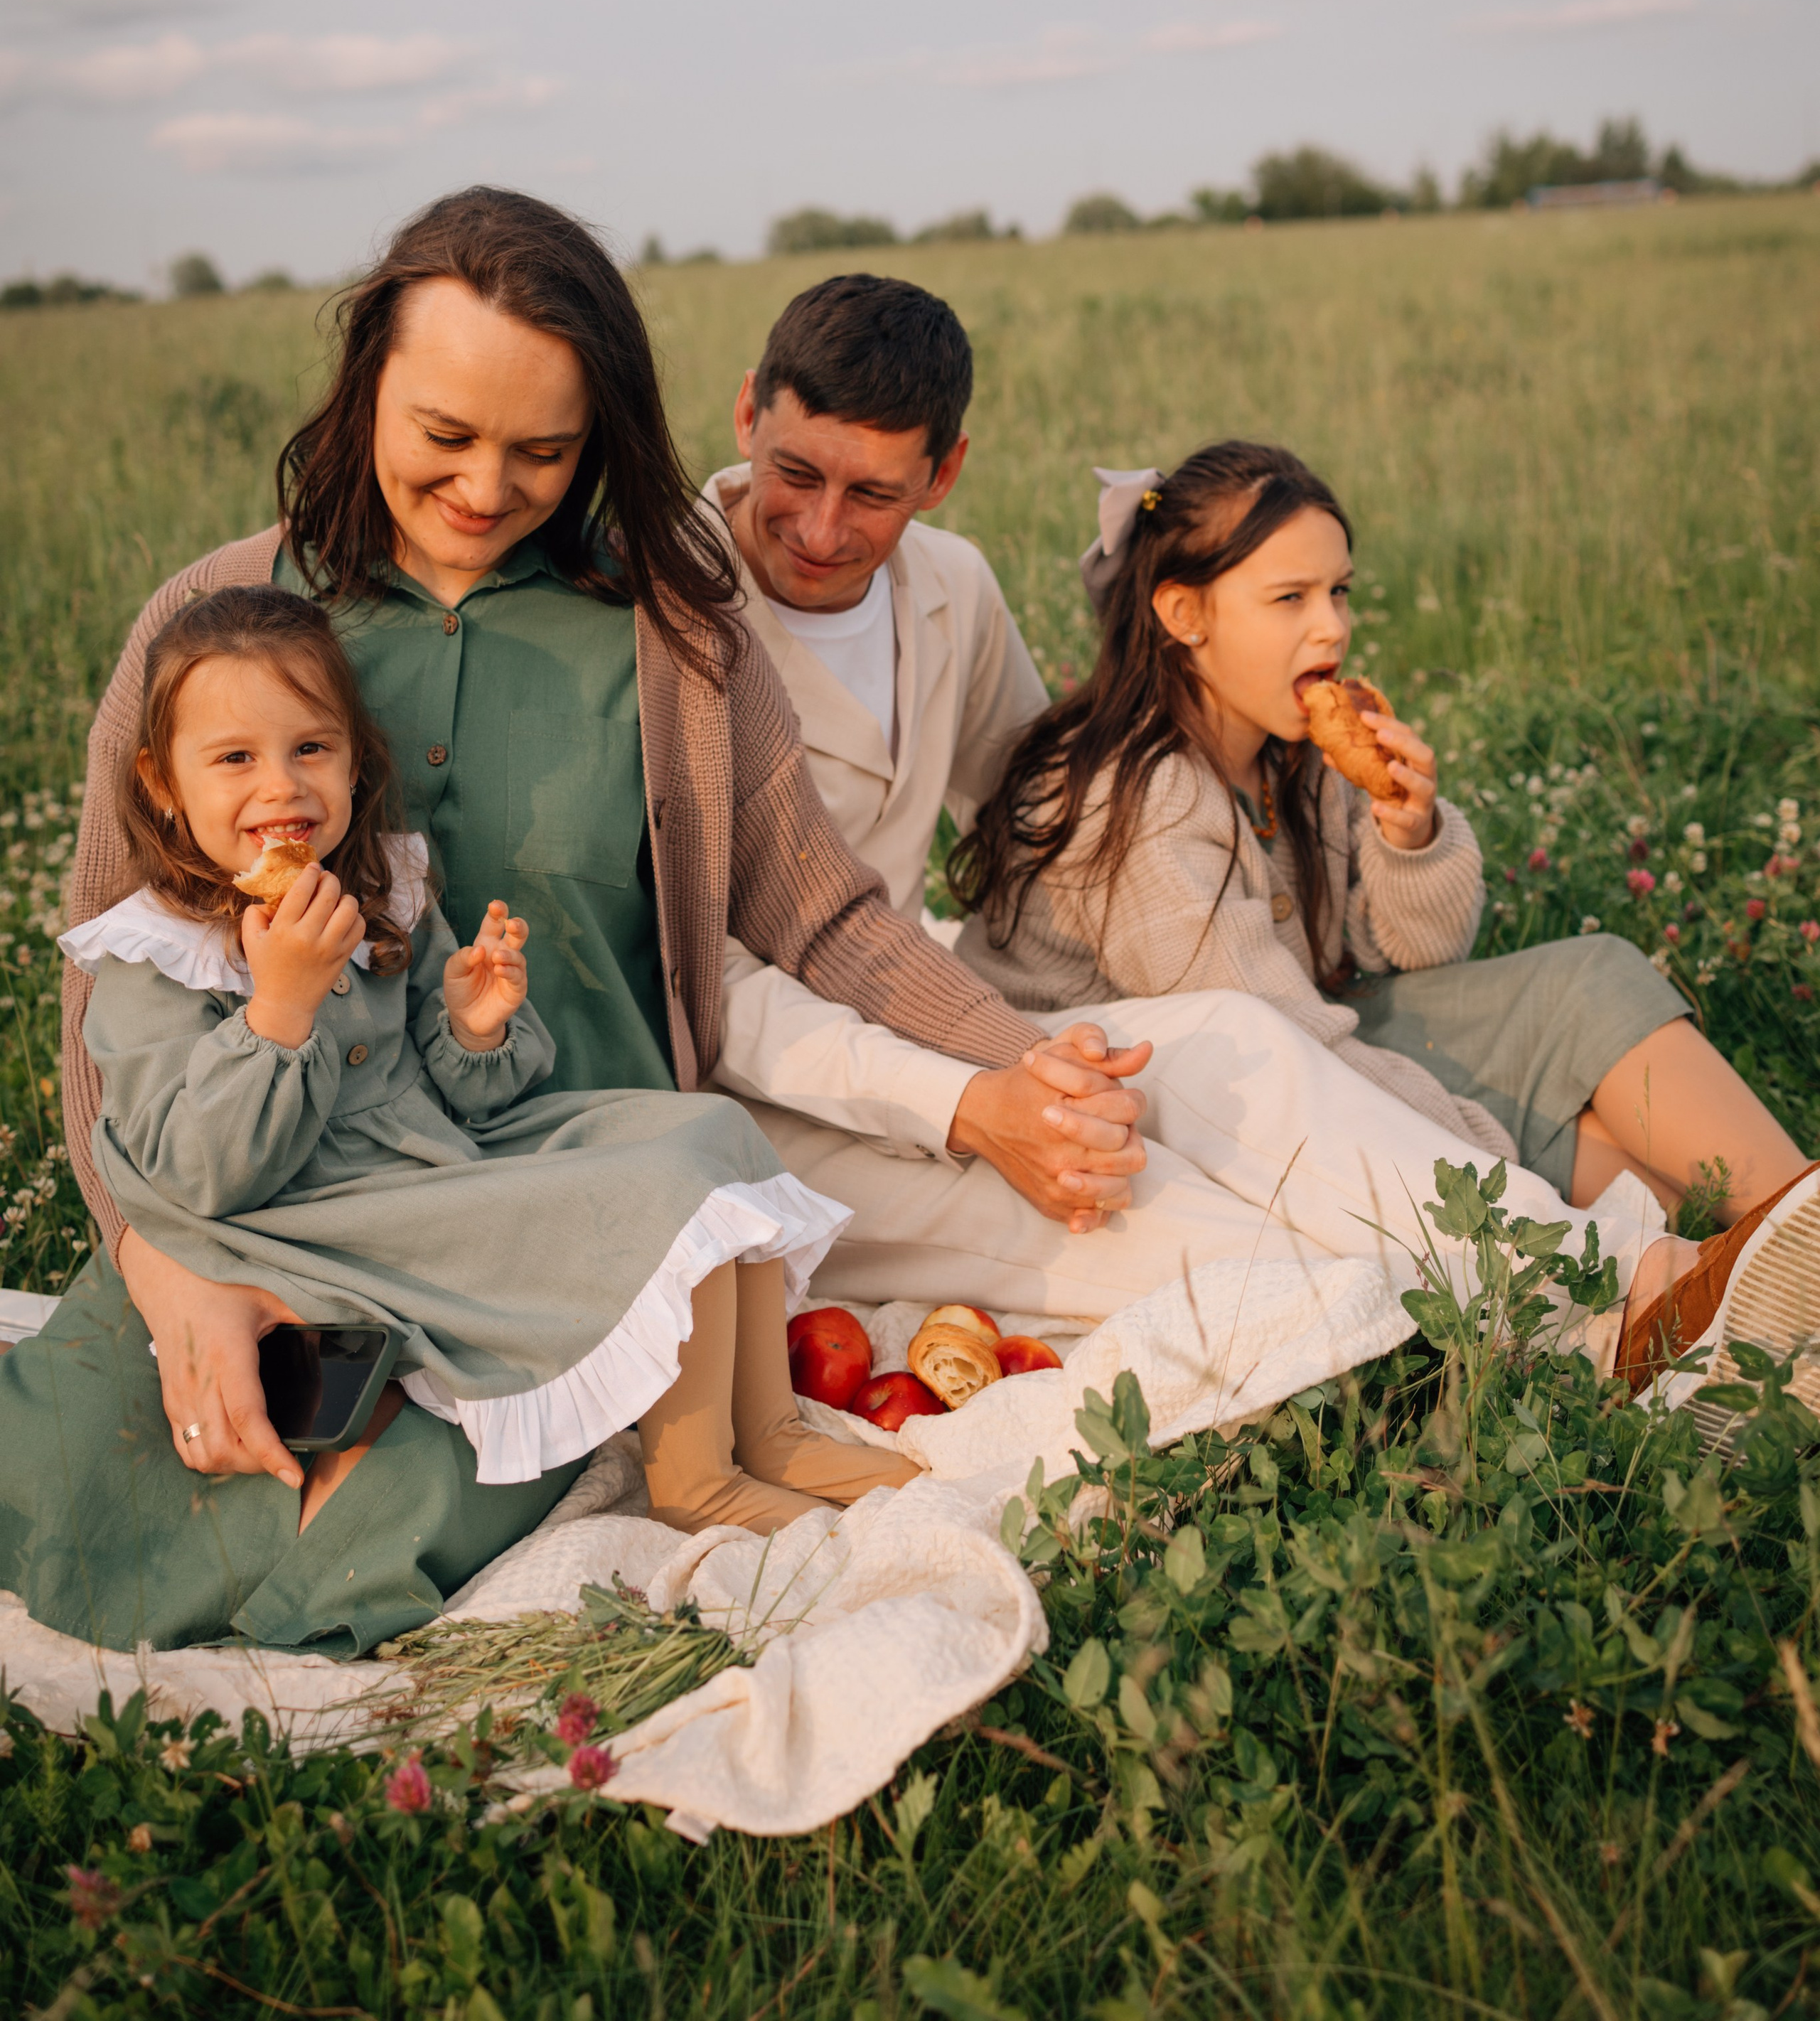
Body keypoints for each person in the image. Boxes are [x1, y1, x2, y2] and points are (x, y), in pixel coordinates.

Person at [56, 191, 1142, 1629]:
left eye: (543, 450)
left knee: (380, 1543)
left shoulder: (675, 624)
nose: (485, 487)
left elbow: (818, 912)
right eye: (443, 435)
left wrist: (1014, 1059)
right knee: (99, 1493)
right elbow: (102, 999)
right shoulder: (215, 623)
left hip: (581, 1221)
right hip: (279, 1190)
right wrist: (155, 1261)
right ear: (365, 381)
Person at [697, 282, 1666, 1358]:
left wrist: (1223, 771)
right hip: (776, 1105)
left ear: (945, 474)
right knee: (1232, 1246)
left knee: (1244, 1042)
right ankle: (1575, 1331)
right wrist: (980, 1096)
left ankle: (1626, 1286)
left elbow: (1041, 798)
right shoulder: (669, 603)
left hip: (952, 1021)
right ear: (748, 413)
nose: (825, 528)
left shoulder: (951, 585)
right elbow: (707, 986)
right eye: (794, 474)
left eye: (875, 493)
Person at [948, 436, 1820, 1410]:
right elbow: (1276, 1045)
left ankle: (1790, 1243)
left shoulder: (1295, 748)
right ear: (1182, 613)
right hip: (1179, 1101)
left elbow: (1404, 952)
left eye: (1341, 593)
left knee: (1590, 979)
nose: (1332, 628)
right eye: (1290, 600)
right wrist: (1483, 1137)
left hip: (1310, 1029)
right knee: (1615, 1164)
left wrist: (1412, 836)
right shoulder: (1135, 799)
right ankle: (1734, 1296)